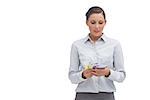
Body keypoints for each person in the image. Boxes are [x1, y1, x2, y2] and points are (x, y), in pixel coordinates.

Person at [68, 6, 126, 100]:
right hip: (83, 95)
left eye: (100, 22)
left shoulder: (115, 45)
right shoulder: (77, 45)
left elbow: (122, 76)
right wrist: (83, 75)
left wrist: (108, 72)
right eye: (93, 22)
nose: (97, 27)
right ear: (87, 23)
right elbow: (72, 77)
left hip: (106, 95)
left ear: (105, 23)